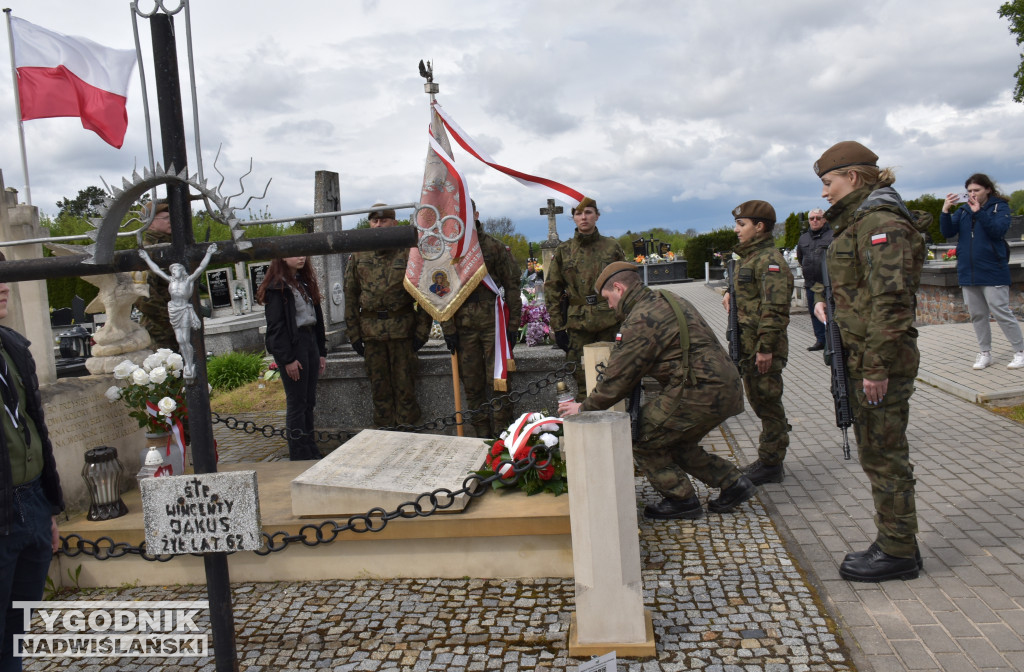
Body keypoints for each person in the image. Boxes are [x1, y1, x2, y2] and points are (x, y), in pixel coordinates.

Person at [812, 140, 927, 582]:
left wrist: (875, 367)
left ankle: (897, 552)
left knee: (884, 455)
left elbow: (892, 303)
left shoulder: (880, 223)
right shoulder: (860, 223)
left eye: (829, 183)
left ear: (853, 178)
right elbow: (860, 288)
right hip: (865, 356)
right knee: (877, 453)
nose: (825, 193)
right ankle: (899, 543)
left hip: (880, 362)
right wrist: (828, 304)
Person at [558, 261, 756, 519]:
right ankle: (734, 484)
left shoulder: (642, 318)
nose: (609, 306)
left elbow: (617, 378)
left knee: (642, 436)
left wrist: (583, 407)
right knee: (676, 440)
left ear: (619, 288)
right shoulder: (666, 298)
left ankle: (681, 500)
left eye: (608, 298)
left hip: (699, 390)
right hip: (722, 385)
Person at [0, 253, 65, 670]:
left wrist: (49, 509)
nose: (4, 284)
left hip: (32, 506)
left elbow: (33, 428)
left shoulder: (11, 346)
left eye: (5, 274)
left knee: (16, 632)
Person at [722, 200, 793, 486]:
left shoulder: (769, 260)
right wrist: (730, 292)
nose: (736, 230)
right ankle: (769, 458)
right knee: (761, 402)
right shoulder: (751, 258)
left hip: (763, 348)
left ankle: (771, 463)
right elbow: (750, 292)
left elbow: (774, 310)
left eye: (742, 225)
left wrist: (765, 348)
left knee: (768, 405)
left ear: (759, 226)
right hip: (749, 346)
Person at [343, 204, 432, 427]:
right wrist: (354, 335)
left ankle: (409, 434)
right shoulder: (359, 254)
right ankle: (385, 434)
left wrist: (422, 332)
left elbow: (425, 295)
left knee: (405, 390)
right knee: (379, 391)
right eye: (374, 221)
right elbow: (351, 296)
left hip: (403, 333)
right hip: (372, 334)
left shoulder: (410, 251)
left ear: (394, 223)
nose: (379, 225)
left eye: (384, 221)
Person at [441, 202, 522, 438]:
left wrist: (513, 325)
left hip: (493, 327)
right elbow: (442, 291)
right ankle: (482, 439)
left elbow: (513, 287)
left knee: (500, 383)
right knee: (473, 387)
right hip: (464, 329)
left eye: (467, 212)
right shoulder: (449, 251)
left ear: (475, 214)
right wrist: (448, 328)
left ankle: (503, 438)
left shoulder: (494, 247)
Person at [544, 197, 626, 400]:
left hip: (609, 319)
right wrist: (558, 327)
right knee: (581, 379)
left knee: (615, 374)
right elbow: (552, 288)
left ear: (597, 216)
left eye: (588, 212)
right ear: (573, 218)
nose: (584, 217)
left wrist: (627, 318)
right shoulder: (563, 251)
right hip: (578, 323)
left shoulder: (611, 247)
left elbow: (626, 283)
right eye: (579, 213)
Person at [940, 174, 1024, 370]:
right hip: (968, 271)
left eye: (976, 190)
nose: (972, 194)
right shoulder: (962, 210)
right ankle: (985, 352)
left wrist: (979, 213)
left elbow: (997, 231)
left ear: (987, 189)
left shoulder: (999, 207)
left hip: (993, 269)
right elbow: (947, 232)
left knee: (1001, 311)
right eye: (969, 191)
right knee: (977, 314)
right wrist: (945, 211)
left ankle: (1020, 351)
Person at [257, 256, 327, 460]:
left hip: (310, 341)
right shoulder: (277, 288)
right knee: (297, 402)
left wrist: (321, 352)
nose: (302, 257)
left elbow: (318, 319)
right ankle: (298, 453)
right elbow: (276, 328)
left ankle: (309, 448)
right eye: (295, 253)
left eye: (303, 252)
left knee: (308, 401)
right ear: (282, 258)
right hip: (293, 345)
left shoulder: (304, 282)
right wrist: (287, 359)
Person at [138, 243, 217, 383]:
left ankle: (189, 364)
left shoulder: (188, 280)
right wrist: (146, 258)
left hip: (184, 310)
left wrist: (209, 253)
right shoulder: (171, 281)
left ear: (182, 270)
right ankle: (187, 361)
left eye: (177, 269)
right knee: (180, 340)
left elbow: (200, 268)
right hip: (174, 310)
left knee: (185, 339)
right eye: (172, 270)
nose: (174, 272)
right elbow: (156, 270)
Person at [135, 200, 176, 350]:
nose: (171, 221)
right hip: (160, 332)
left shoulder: (172, 248)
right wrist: (171, 321)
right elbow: (143, 296)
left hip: (175, 327)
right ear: (150, 223)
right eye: (165, 218)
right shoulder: (147, 252)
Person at [797, 208, 833, 351]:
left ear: (825, 220)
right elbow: (801, 257)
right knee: (814, 313)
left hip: (828, 284)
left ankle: (833, 339)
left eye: (818, 218)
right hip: (811, 283)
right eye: (812, 218)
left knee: (830, 312)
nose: (815, 221)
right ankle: (820, 340)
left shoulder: (832, 235)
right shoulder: (803, 238)